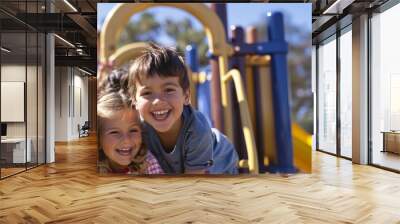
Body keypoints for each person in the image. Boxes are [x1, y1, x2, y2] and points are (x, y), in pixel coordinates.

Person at [128, 43, 238, 174]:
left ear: (186, 96)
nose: (157, 101)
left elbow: (192, 184)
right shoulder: (137, 128)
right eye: (147, 93)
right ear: (134, 101)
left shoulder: (197, 131)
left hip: (218, 160)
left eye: (168, 90)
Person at [97, 68, 163, 175]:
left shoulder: (147, 164)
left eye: (133, 130)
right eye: (114, 132)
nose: (126, 140)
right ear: (99, 139)